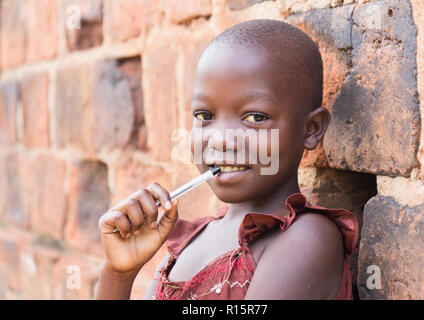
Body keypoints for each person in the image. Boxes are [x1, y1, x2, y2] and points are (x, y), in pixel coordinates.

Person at [95, 19, 358, 300]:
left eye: (255, 118)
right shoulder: (188, 244)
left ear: (311, 129)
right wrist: (118, 275)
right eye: (204, 116)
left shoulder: (307, 240)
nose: (221, 139)